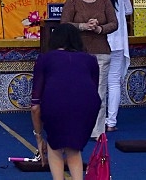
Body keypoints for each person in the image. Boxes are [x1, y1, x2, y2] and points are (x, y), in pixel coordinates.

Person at [31, 23, 101, 180]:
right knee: (73, 148)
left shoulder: (45, 59)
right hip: (87, 106)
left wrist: (39, 136)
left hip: (55, 104)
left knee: (54, 145)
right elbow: (91, 91)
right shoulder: (91, 60)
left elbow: (35, 105)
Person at [60, 0, 118, 138]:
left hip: (101, 51)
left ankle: (97, 131)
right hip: (78, 53)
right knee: (77, 92)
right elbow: (64, 24)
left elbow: (114, 23)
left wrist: (100, 28)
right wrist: (83, 26)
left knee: (98, 93)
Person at [97, 0, 131, 132]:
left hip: (99, 41)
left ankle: (98, 122)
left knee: (98, 82)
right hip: (117, 42)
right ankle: (111, 122)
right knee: (114, 82)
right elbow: (129, 9)